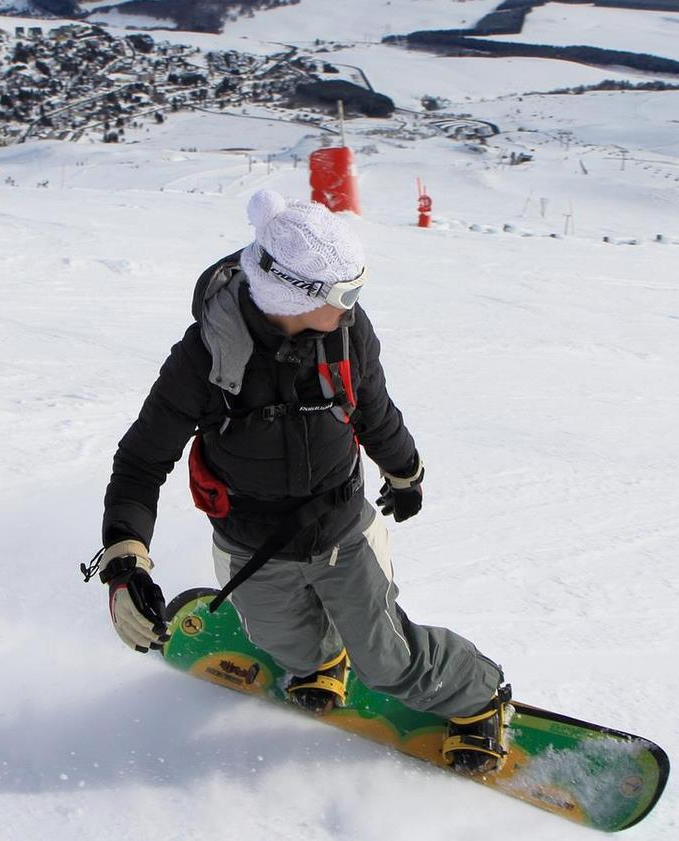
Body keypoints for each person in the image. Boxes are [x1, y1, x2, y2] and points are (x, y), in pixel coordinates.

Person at [89, 189, 511, 773]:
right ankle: (319, 662)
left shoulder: (345, 333)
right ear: (292, 294)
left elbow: (374, 410)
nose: (354, 306)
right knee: (282, 642)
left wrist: (405, 470)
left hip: (340, 526)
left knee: (387, 660)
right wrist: (124, 559)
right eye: (345, 294)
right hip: (251, 541)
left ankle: (477, 698)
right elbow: (140, 462)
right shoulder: (203, 361)